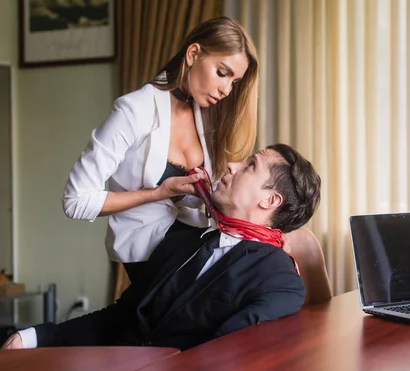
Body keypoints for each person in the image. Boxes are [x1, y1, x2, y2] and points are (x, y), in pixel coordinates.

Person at [2, 143, 321, 351]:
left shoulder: (280, 281)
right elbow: (119, 317)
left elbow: (222, 356)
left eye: (250, 166)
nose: (232, 166)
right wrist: (34, 337)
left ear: (270, 200)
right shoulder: (183, 241)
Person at [61, 16, 259, 284]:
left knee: (266, 260)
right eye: (222, 73)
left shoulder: (206, 115)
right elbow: (76, 201)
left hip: (191, 237)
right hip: (147, 252)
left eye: (234, 82)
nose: (226, 89)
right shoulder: (134, 111)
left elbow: (189, 201)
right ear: (193, 54)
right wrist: (157, 193)